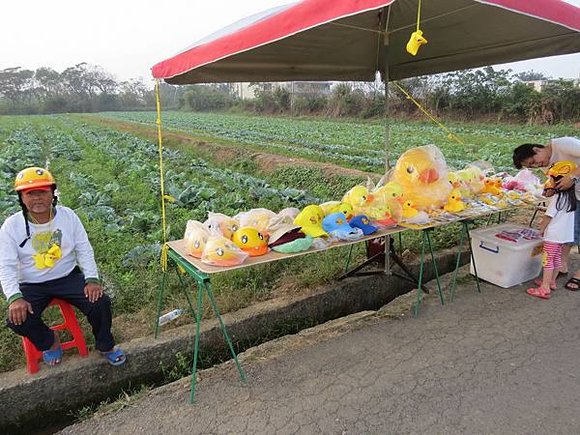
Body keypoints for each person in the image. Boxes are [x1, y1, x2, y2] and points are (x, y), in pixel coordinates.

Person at [0, 167, 126, 367]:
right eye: (30, 193)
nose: (37, 198)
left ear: (52, 194)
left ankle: (105, 345)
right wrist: (15, 297)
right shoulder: (11, 226)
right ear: (21, 198)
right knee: (16, 319)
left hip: (67, 276)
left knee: (100, 302)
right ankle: (50, 341)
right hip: (31, 283)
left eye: (43, 192)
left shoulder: (68, 216)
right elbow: (5, 265)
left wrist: (91, 279)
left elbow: (84, 248)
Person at [513, 136, 580, 290]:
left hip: (575, 191)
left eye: (533, 162)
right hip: (574, 196)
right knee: (570, 233)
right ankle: (561, 266)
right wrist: (551, 189)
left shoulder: (563, 144)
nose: (537, 165)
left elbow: (570, 177)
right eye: (533, 167)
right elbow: (554, 183)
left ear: (536, 149)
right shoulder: (547, 164)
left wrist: (572, 176)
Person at [527, 161, 577, 299]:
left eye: (552, 179)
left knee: (547, 260)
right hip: (564, 236)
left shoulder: (557, 198)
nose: (550, 181)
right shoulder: (571, 197)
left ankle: (544, 287)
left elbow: (548, 216)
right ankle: (551, 281)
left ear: (558, 181)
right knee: (556, 259)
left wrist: (540, 229)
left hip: (553, 235)